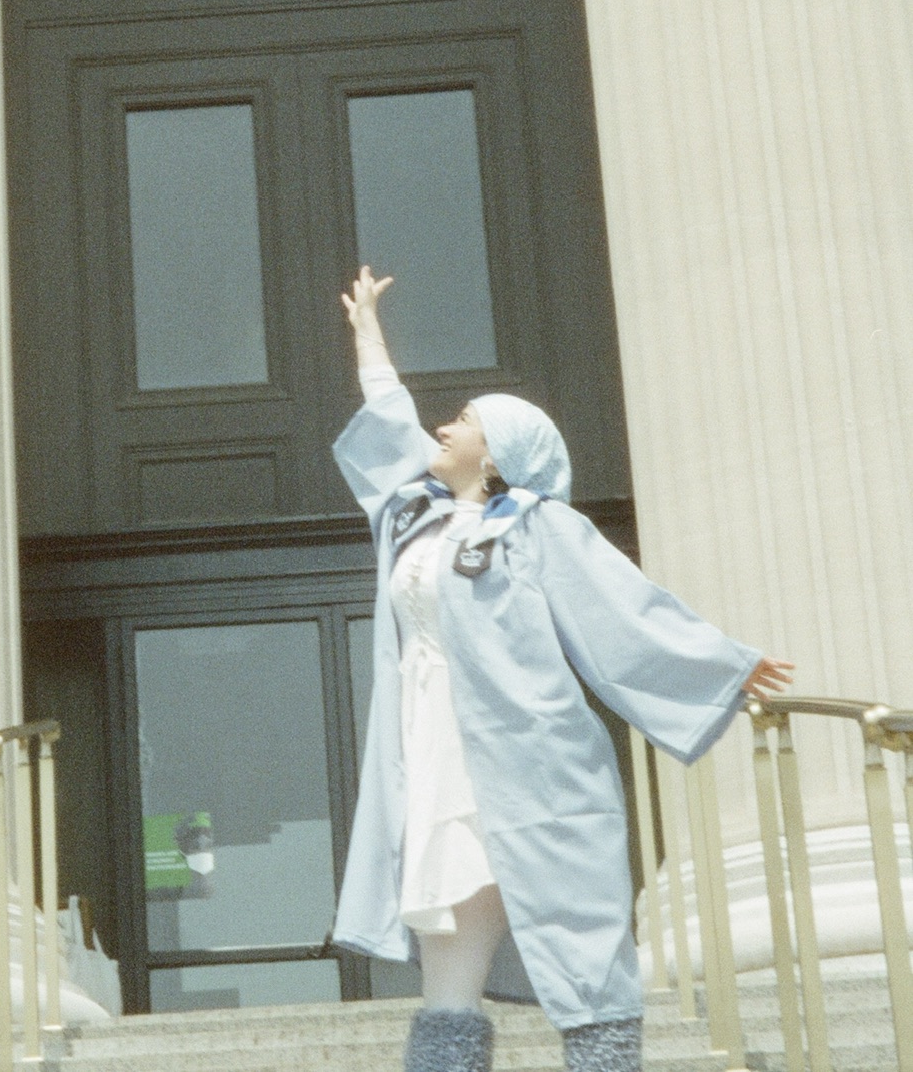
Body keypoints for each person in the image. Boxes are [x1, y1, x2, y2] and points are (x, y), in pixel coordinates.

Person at [333, 267, 792, 1072]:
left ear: (500, 453)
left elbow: (625, 610)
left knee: (579, 941)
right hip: (436, 753)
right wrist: (368, 330)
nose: (443, 428)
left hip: (529, 754)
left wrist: (723, 663)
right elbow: (389, 425)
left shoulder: (539, 529)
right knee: (448, 949)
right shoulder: (412, 520)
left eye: (464, 421)